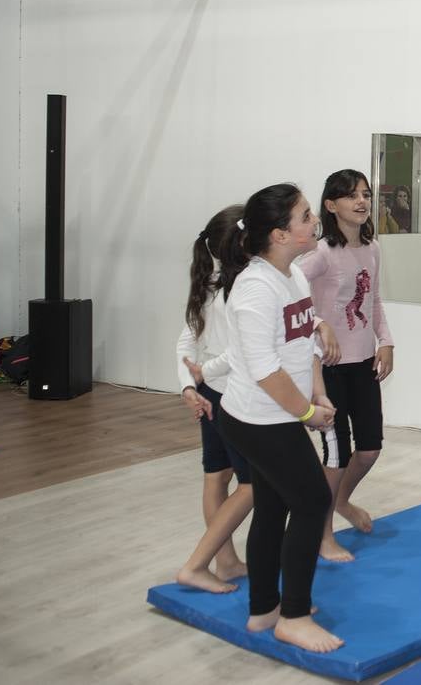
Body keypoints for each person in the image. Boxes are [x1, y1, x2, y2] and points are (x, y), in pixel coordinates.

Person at [215, 183, 343, 654]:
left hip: (277, 415)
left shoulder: (292, 276)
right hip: (257, 420)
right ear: (280, 234)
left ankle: (264, 609)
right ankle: (293, 617)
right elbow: (265, 370)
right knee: (312, 502)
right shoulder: (255, 287)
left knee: (273, 506)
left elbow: (301, 341)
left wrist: (317, 391)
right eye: (305, 216)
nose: (314, 221)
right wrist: (307, 413)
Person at [298, 169, 395, 562]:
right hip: (330, 367)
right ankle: (323, 535)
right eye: (352, 195)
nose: (361, 202)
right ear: (331, 204)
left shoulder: (372, 249)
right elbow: (290, 296)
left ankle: (340, 501)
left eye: (366, 195)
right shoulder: (320, 253)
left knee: (369, 449)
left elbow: (373, 300)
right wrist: (319, 324)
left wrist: (385, 341)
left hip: (363, 362)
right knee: (336, 455)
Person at [173, 204, 253, 594]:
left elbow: (186, 346)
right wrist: (198, 379)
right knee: (253, 483)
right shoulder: (229, 290)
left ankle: (226, 561)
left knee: (217, 477)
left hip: (213, 393)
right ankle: (201, 563)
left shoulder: (211, 284)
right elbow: (237, 351)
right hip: (229, 397)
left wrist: (189, 387)